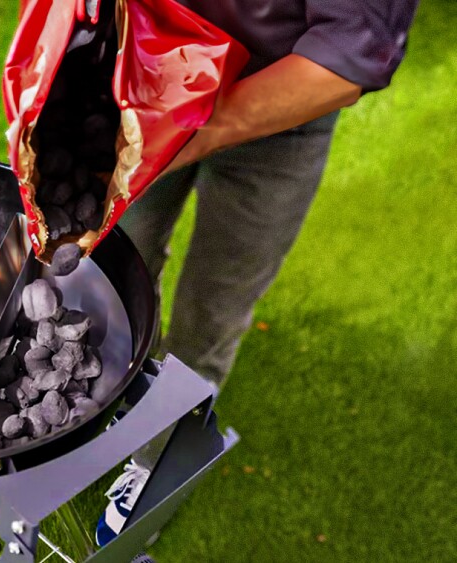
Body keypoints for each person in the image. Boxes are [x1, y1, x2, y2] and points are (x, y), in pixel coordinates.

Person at [95, 0, 420, 549]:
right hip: (150, 69)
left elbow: (349, 48)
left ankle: (160, 450)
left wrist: (193, 133)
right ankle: (109, 393)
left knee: (213, 307)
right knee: (113, 269)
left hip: (286, 107)